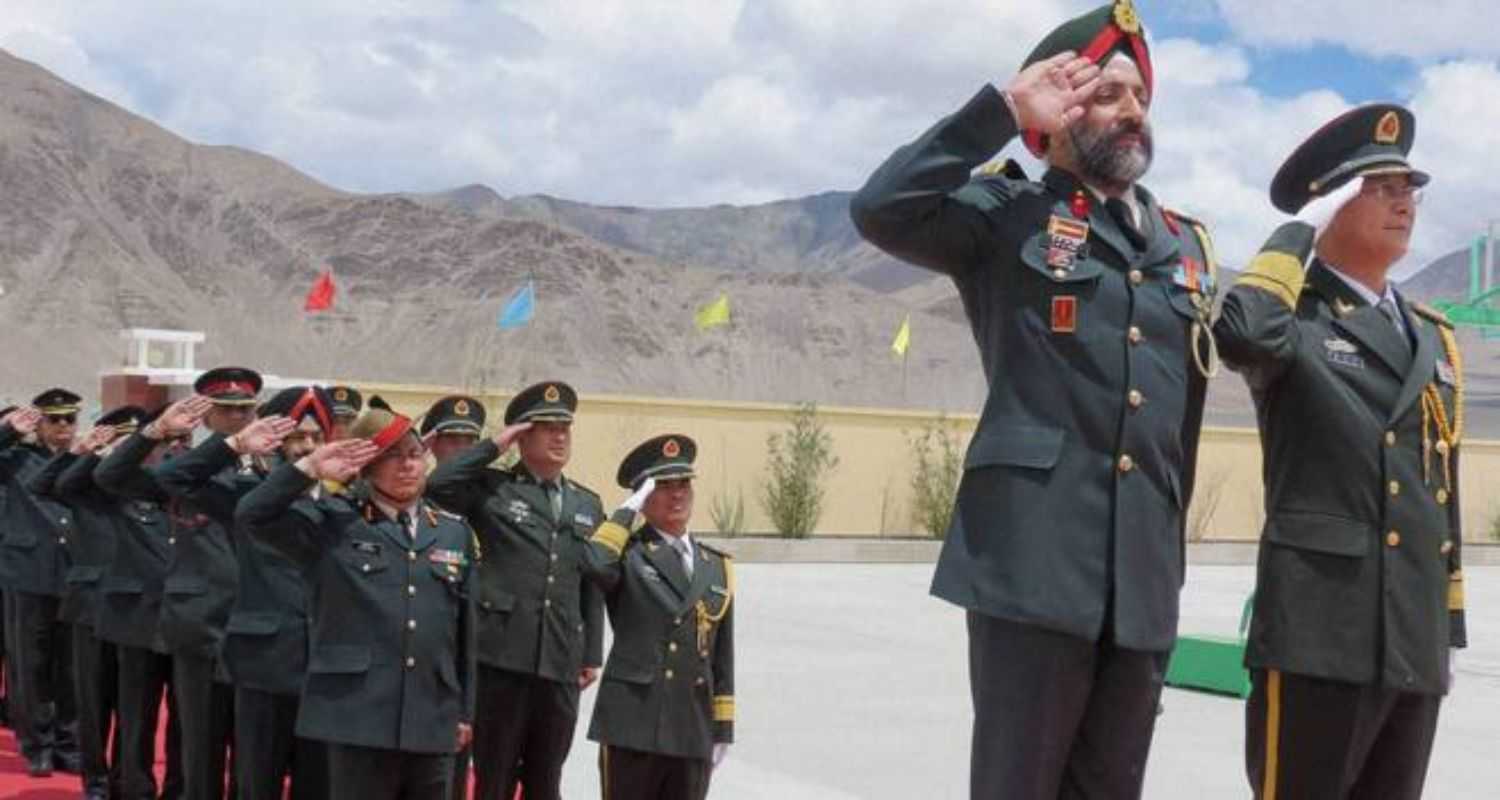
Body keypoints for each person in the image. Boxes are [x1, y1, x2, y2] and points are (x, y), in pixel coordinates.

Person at [849, 1, 1218, 796]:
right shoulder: (1007, 212)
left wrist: (1166, 568)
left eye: (1141, 99)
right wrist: (1004, 110)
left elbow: (1176, 427)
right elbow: (880, 208)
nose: (1131, 113)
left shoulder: (1185, 246)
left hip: (1142, 579)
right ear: (1055, 114)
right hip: (1036, 561)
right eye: (1108, 94)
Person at [1215, 103, 1466, 800]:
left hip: (1411, 639)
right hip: (1320, 632)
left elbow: (1439, 490)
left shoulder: (1432, 336)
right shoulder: (1293, 315)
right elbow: (1241, 337)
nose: (1404, 203)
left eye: (1408, 188)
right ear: (1333, 206)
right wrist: (1301, 229)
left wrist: (1446, 624)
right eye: (1379, 188)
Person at [236, 405, 476, 800]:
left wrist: (465, 709)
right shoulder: (332, 522)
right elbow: (251, 516)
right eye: (392, 456)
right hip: (358, 714)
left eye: (414, 454)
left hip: (430, 713)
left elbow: (464, 630)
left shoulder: (453, 532)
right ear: (366, 466)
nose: (407, 466)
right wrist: (309, 468)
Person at [426, 381, 605, 800]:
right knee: (495, 777)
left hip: (560, 660)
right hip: (503, 656)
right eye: (546, 427)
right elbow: (438, 486)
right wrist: (494, 444)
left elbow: (589, 581)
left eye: (565, 427)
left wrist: (591, 651)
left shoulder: (587, 504)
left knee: (547, 779)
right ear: (523, 436)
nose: (560, 436)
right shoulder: (494, 488)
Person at [97, 367, 262, 800]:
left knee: (256, 754)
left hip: (264, 629)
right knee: (200, 749)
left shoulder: (280, 468)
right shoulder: (181, 471)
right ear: (206, 418)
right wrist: (152, 433)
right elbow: (111, 477)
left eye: (246, 409)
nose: (238, 418)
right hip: (202, 624)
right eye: (226, 410)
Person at [164, 387, 329, 800]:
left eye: (315, 437)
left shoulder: (346, 498)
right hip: (265, 661)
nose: (306, 446)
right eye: (295, 436)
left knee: (319, 783)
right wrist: (234, 443)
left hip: (327, 666)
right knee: (257, 780)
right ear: (273, 438)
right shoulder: (244, 492)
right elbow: (171, 478)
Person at [583, 435, 734, 800]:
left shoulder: (717, 567)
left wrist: (722, 728)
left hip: (690, 726)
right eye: (663, 485)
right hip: (633, 723)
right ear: (643, 494)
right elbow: (593, 563)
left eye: (683, 483)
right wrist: (626, 512)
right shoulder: (628, 553)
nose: (677, 494)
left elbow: (721, 658)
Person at [27, 407, 148, 798]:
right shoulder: (84, 483)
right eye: (115, 439)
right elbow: (43, 485)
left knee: (134, 705)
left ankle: (130, 780)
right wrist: (79, 453)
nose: (121, 447)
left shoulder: (146, 483)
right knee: (93, 702)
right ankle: (96, 780)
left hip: (135, 607)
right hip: (92, 606)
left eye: (129, 440)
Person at [89, 407, 188, 800]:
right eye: (168, 442)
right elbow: (84, 479)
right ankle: (132, 788)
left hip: (186, 620)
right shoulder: (124, 485)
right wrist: (148, 434)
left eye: (183, 443)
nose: (175, 450)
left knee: (187, 720)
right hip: (137, 619)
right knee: (136, 714)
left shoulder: (200, 490)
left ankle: (179, 791)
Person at [0, 391, 84, 776]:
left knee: (71, 668)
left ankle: (69, 742)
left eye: (69, 420)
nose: (63, 427)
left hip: (72, 575)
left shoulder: (83, 458)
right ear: (40, 424)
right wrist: (7, 432)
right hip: (28, 572)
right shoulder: (17, 459)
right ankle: (37, 745)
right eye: (55, 420)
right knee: (30, 664)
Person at [418, 392, 488, 800]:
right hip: (438, 644)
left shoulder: (493, 493)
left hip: (489, 641)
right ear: (432, 444)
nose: (462, 450)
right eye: (452, 440)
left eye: (471, 442)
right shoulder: (424, 491)